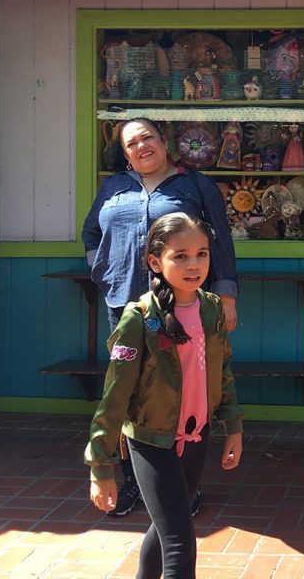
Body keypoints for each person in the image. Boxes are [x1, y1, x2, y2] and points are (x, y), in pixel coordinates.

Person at [83, 117, 239, 517]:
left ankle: (185, 484)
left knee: (182, 389)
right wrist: (105, 272)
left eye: (147, 137)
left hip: (182, 306)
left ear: (164, 142)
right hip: (127, 308)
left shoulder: (194, 184)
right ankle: (136, 482)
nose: (141, 146)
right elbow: (91, 234)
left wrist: (226, 295)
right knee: (130, 394)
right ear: (126, 153)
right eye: (131, 143)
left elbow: (218, 240)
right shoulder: (112, 187)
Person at [85, 212, 243, 579]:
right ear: (156, 262)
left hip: (197, 437)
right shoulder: (138, 318)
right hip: (152, 442)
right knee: (179, 545)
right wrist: (102, 467)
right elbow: (113, 398)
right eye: (181, 255)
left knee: (165, 529)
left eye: (202, 254)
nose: (194, 265)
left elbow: (224, 371)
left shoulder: (212, 307)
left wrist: (231, 426)